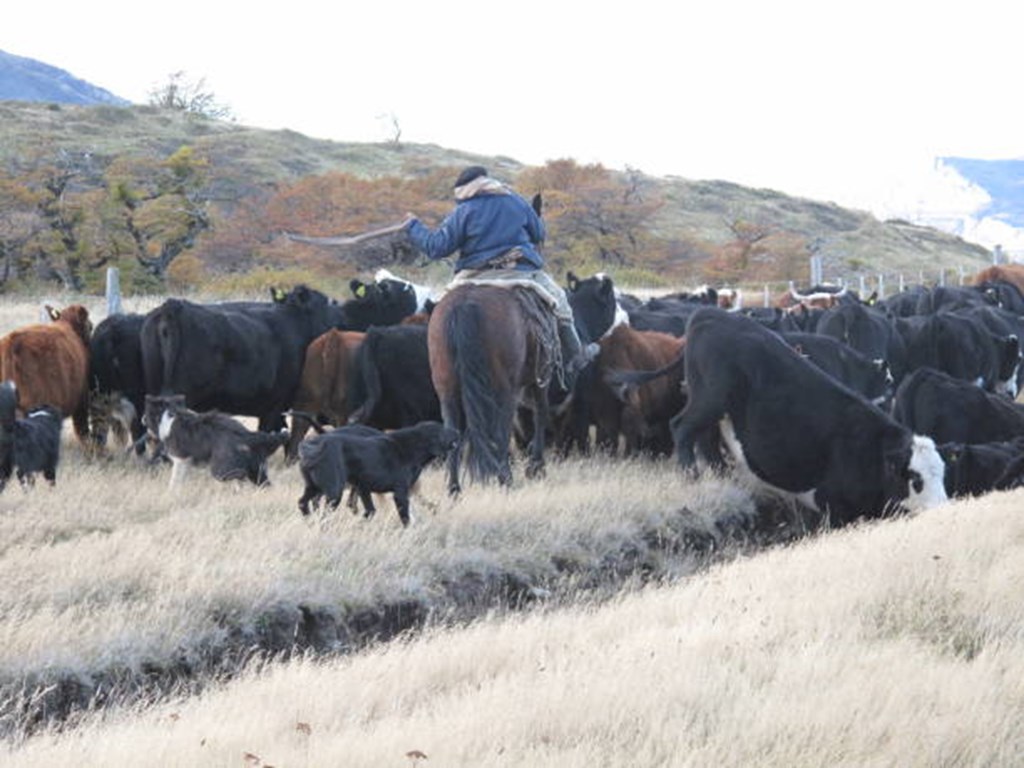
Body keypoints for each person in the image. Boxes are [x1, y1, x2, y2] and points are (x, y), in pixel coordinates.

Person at [404, 165, 597, 387]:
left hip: (472, 275)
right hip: (520, 273)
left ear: (464, 190)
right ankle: (576, 354)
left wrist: (413, 226)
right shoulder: (515, 200)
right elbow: (539, 233)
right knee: (560, 302)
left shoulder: (463, 211)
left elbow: (436, 247)